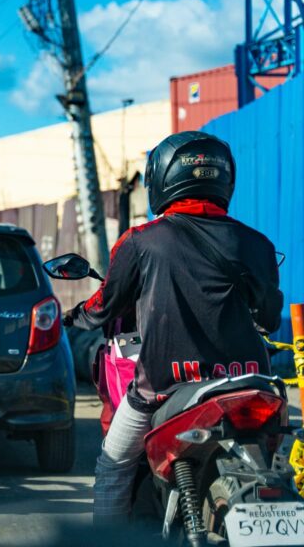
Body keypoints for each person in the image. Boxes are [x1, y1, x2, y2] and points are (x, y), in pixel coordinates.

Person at [68, 131, 284, 524]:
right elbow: (269, 319)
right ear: (225, 180)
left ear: (161, 179)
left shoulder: (139, 242)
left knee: (113, 465)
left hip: (163, 385)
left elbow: (105, 306)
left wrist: (74, 316)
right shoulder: (259, 244)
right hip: (251, 380)